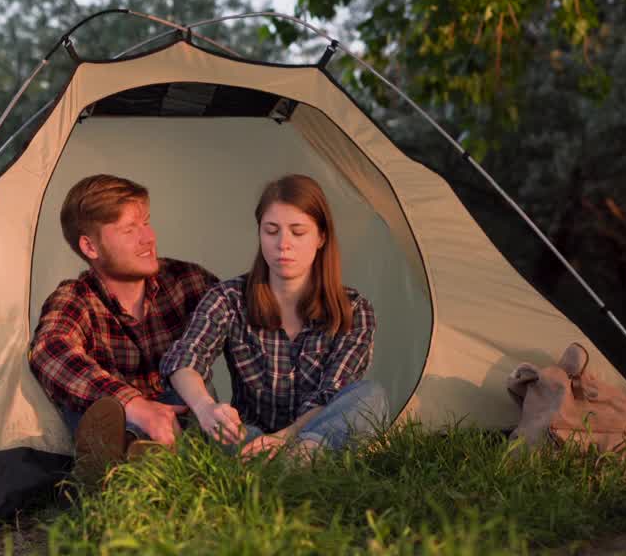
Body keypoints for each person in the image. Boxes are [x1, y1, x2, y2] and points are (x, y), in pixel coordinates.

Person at [161, 174, 386, 462]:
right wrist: (206, 408)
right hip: (247, 436)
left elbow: (332, 393)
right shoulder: (229, 297)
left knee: (371, 394)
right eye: (271, 231)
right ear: (259, 234)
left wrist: (285, 439)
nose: (283, 244)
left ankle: (299, 459)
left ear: (321, 237)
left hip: (312, 436)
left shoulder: (353, 309)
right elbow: (185, 358)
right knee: (187, 397)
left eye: (298, 231)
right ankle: (295, 464)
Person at [29, 174, 217, 480]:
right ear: (90, 247)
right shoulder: (76, 297)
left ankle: (137, 461)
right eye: (130, 230)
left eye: (146, 222)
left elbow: (242, 314)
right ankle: (122, 456)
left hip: (181, 414)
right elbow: (49, 350)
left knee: (191, 393)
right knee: (95, 409)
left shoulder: (186, 280)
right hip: (120, 419)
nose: (148, 238)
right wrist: (134, 405)